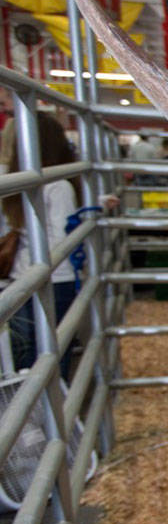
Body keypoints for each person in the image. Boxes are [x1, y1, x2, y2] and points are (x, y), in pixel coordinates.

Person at [0, 113, 108, 376]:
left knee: (26, 355)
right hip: (57, 278)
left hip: (19, 277)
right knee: (53, 350)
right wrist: (89, 217)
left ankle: (31, 411)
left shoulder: (13, 181)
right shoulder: (58, 185)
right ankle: (54, 411)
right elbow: (63, 238)